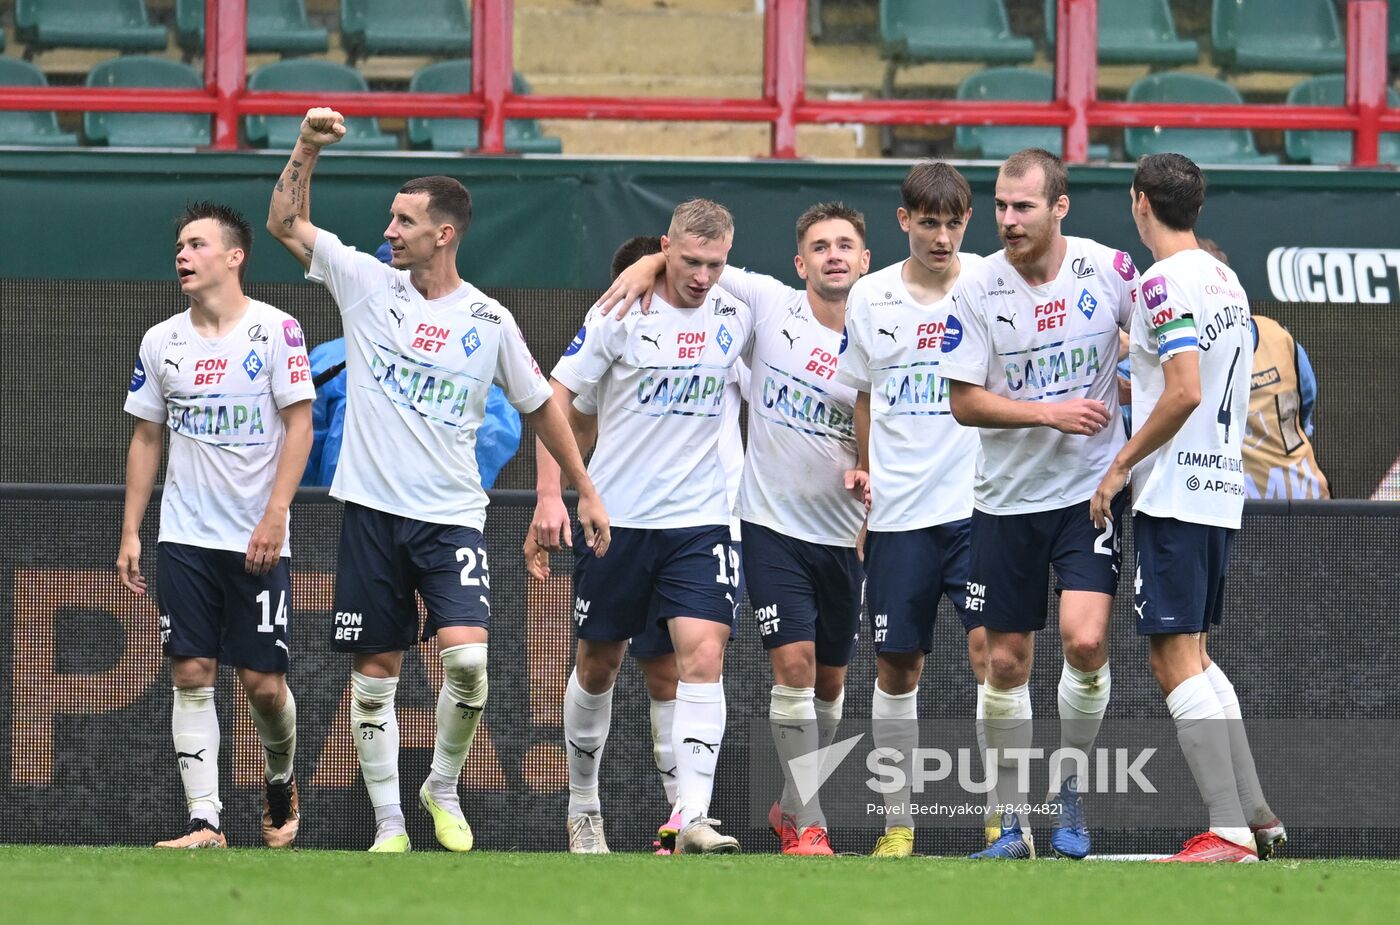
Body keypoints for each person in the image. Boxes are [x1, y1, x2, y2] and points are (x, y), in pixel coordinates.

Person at [265, 107, 609, 853]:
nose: (388, 231)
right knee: (376, 676)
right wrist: (307, 147)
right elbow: (285, 222)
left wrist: (581, 488)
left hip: (451, 516)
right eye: (390, 219)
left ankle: (441, 784)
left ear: (443, 233)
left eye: (403, 221)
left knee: (469, 664)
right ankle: (389, 821)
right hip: (370, 514)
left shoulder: (488, 320)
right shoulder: (365, 283)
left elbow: (544, 407)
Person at [597, 203, 873, 855]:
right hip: (768, 525)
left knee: (830, 688)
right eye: (819, 246)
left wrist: (877, 483)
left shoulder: (886, 326)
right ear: (800, 262)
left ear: (866, 260)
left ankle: (788, 798)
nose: (834, 254)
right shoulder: (771, 305)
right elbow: (695, 256)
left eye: (846, 245)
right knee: (795, 668)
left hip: (848, 533)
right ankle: (809, 822)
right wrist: (645, 262)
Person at [942, 148, 1139, 861]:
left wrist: (1131, 395)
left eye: (1023, 206)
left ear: (1060, 207)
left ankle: (1071, 791)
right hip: (1004, 503)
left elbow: (1155, 351)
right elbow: (964, 402)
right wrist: (1046, 412)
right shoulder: (975, 286)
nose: (1007, 219)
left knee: (1085, 641)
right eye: (1000, 205)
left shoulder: (1111, 270)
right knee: (1006, 662)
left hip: (1086, 498)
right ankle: (1010, 823)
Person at [1090, 153, 1285, 863]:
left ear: (1140, 201)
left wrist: (1117, 467)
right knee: (1198, 652)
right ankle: (1257, 813)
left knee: (1173, 658)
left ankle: (1228, 829)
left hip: (1173, 487)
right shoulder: (1222, 276)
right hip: (1221, 486)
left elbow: (1182, 389)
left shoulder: (1160, 281)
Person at [527, 233, 748, 855]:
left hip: (705, 520)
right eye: (686, 263)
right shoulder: (617, 319)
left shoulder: (738, 309)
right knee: (599, 664)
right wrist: (552, 497)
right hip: (619, 522)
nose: (702, 276)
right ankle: (584, 806)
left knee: (700, 658)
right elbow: (559, 405)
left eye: (714, 264)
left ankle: (690, 816)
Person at [118, 201, 314, 849]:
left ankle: (280, 777)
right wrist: (131, 531)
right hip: (184, 537)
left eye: (197, 244)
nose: (183, 254)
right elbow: (147, 437)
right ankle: (206, 819)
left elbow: (300, 425)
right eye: (179, 245)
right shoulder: (160, 339)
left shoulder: (278, 330)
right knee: (191, 671)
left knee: (262, 686)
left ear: (235, 257)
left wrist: (275, 514)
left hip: (257, 538)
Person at [836, 162, 989, 857]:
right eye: (928, 221)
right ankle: (899, 821)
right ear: (904, 221)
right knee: (897, 667)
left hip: (981, 509)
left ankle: (1004, 819)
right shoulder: (868, 297)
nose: (942, 234)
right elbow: (863, 393)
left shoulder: (989, 283)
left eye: (953, 221)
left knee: (995, 656)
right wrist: (868, 476)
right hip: (899, 517)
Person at [302, 243, 523, 489]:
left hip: (434, 507)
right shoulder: (328, 359)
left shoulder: (462, 354)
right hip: (350, 501)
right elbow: (303, 440)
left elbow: (495, 432)